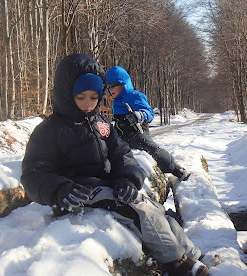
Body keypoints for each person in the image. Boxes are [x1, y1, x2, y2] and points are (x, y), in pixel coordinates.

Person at [21, 54, 220, 276]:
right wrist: (59, 189)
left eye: (94, 97)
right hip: (79, 193)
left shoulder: (101, 124)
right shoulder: (50, 130)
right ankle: (175, 263)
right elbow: (33, 173)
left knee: (156, 209)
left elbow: (122, 155)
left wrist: (127, 179)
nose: (88, 104)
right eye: (81, 97)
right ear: (67, 95)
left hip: (108, 186)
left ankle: (194, 254)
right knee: (138, 211)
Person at [106, 65, 191, 181]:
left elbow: (149, 113)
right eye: (108, 86)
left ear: (123, 84)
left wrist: (138, 115)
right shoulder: (116, 102)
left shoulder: (134, 96)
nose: (110, 90)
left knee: (150, 148)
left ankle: (176, 169)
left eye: (113, 86)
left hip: (138, 133)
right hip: (122, 136)